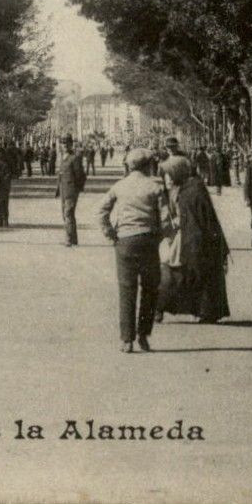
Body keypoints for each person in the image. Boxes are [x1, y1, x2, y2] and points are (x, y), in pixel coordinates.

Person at [98, 149, 175, 354]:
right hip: (148, 241)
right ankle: (143, 335)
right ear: (147, 165)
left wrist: (110, 233)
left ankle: (126, 339)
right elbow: (166, 218)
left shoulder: (119, 186)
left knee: (127, 290)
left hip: (125, 241)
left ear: (130, 166)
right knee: (150, 289)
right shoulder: (155, 187)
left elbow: (101, 211)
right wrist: (162, 236)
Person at [159, 162, 231, 323]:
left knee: (180, 276)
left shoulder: (189, 191)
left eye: (169, 175)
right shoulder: (192, 188)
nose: (167, 179)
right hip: (198, 240)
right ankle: (206, 312)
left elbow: (197, 218)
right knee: (197, 278)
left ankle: (159, 306)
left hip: (193, 241)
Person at [57, 135, 87, 246]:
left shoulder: (74, 158)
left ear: (70, 144)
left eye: (66, 143)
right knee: (66, 214)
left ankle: (69, 239)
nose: (64, 145)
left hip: (71, 190)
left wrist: (77, 189)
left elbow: (80, 175)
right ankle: (73, 239)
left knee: (68, 213)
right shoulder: (63, 157)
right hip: (63, 190)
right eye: (63, 143)